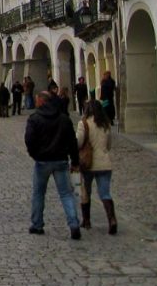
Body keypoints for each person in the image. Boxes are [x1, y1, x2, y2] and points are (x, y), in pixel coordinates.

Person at [24, 90, 82, 239]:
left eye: (37, 99)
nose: (36, 102)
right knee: (66, 194)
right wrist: (74, 160)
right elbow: (72, 142)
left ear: (41, 101)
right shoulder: (63, 118)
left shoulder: (35, 118)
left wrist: (35, 154)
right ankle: (74, 223)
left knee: (38, 193)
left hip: (42, 161)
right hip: (61, 160)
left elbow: (29, 140)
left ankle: (37, 224)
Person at [76, 99, 117, 234]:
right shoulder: (105, 124)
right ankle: (112, 220)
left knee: (85, 192)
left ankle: (86, 220)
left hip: (88, 164)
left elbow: (78, 142)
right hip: (104, 163)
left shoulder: (84, 124)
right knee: (105, 193)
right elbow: (109, 145)